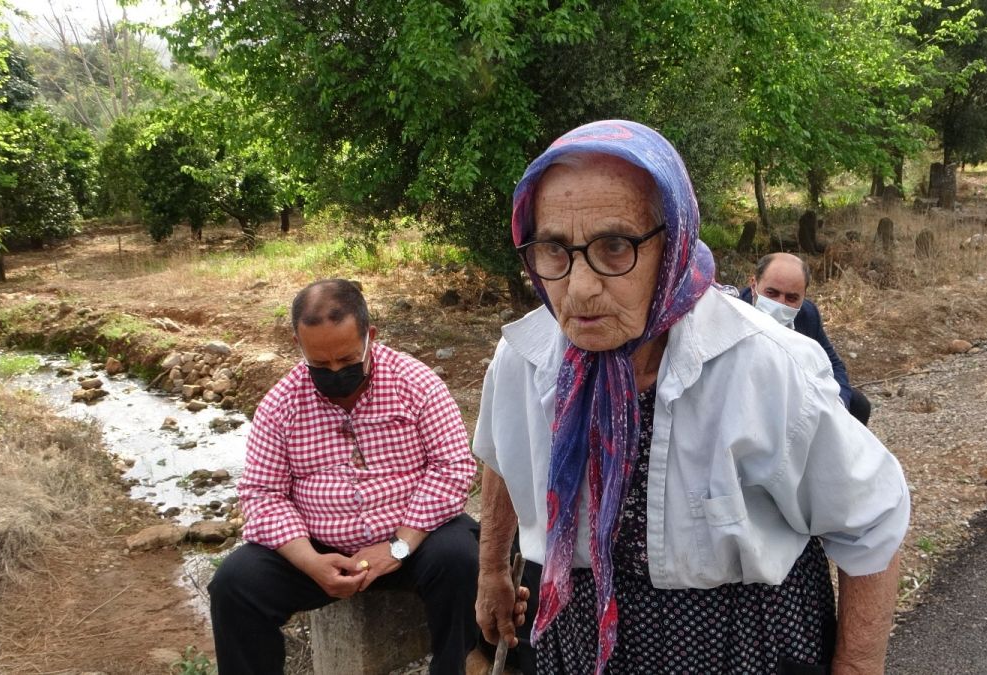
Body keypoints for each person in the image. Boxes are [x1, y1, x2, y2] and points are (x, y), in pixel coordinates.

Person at [473, 120, 910, 674]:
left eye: (614, 247)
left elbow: (870, 523)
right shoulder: (525, 358)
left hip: (740, 644)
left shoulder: (764, 365)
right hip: (581, 642)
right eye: (553, 250)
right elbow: (503, 452)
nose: (579, 289)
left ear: (673, 242)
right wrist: (492, 569)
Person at [208, 279, 480, 674]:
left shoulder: (417, 384)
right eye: (320, 365)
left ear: (370, 336)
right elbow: (262, 494)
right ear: (298, 344)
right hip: (319, 548)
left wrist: (397, 547)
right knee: (235, 585)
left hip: (413, 540)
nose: (335, 373)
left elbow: (452, 468)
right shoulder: (281, 404)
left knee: (460, 558)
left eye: (348, 361)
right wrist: (309, 561)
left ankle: (452, 668)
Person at [739, 252, 873, 425]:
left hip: (796, 391)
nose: (781, 303)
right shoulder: (734, 314)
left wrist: (838, 404)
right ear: (753, 284)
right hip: (750, 398)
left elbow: (833, 364)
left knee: (858, 404)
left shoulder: (808, 315)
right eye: (772, 293)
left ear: (803, 296)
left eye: (792, 298)